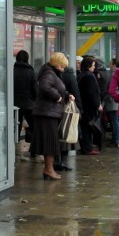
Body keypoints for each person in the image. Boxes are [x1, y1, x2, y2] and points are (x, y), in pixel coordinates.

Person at [32, 52, 75, 180]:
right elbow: (45, 87)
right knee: (49, 142)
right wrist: (57, 97)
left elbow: (55, 87)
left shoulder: (52, 73)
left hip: (48, 112)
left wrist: (67, 95)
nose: (63, 68)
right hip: (47, 113)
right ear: (57, 64)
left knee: (50, 142)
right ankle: (48, 169)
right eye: (62, 66)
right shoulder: (49, 73)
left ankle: (49, 169)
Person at [13, 50, 37, 156]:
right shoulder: (31, 72)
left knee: (15, 127)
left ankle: (14, 149)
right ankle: (34, 150)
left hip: (14, 105)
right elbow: (35, 89)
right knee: (34, 127)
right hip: (29, 105)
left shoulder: (12, 71)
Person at [78, 56, 103, 155]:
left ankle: (85, 146)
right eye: (93, 65)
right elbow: (92, 93)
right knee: (88, 127)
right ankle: (87, 148)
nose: (94, 67)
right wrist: (98, 105)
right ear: (89, 66)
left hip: (84, 105)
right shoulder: (89, 76)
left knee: (85, 127)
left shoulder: (82, 75)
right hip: (89, 107)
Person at [104, 58, 119, 147]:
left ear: (114, 65)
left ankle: (116, 140)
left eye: (110, 63)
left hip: (112, 101)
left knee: (114, 121)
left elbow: (109, 88)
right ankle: (117, 138)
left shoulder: (113, 74)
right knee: (116, 120)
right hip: (117, 101)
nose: (109, 65)